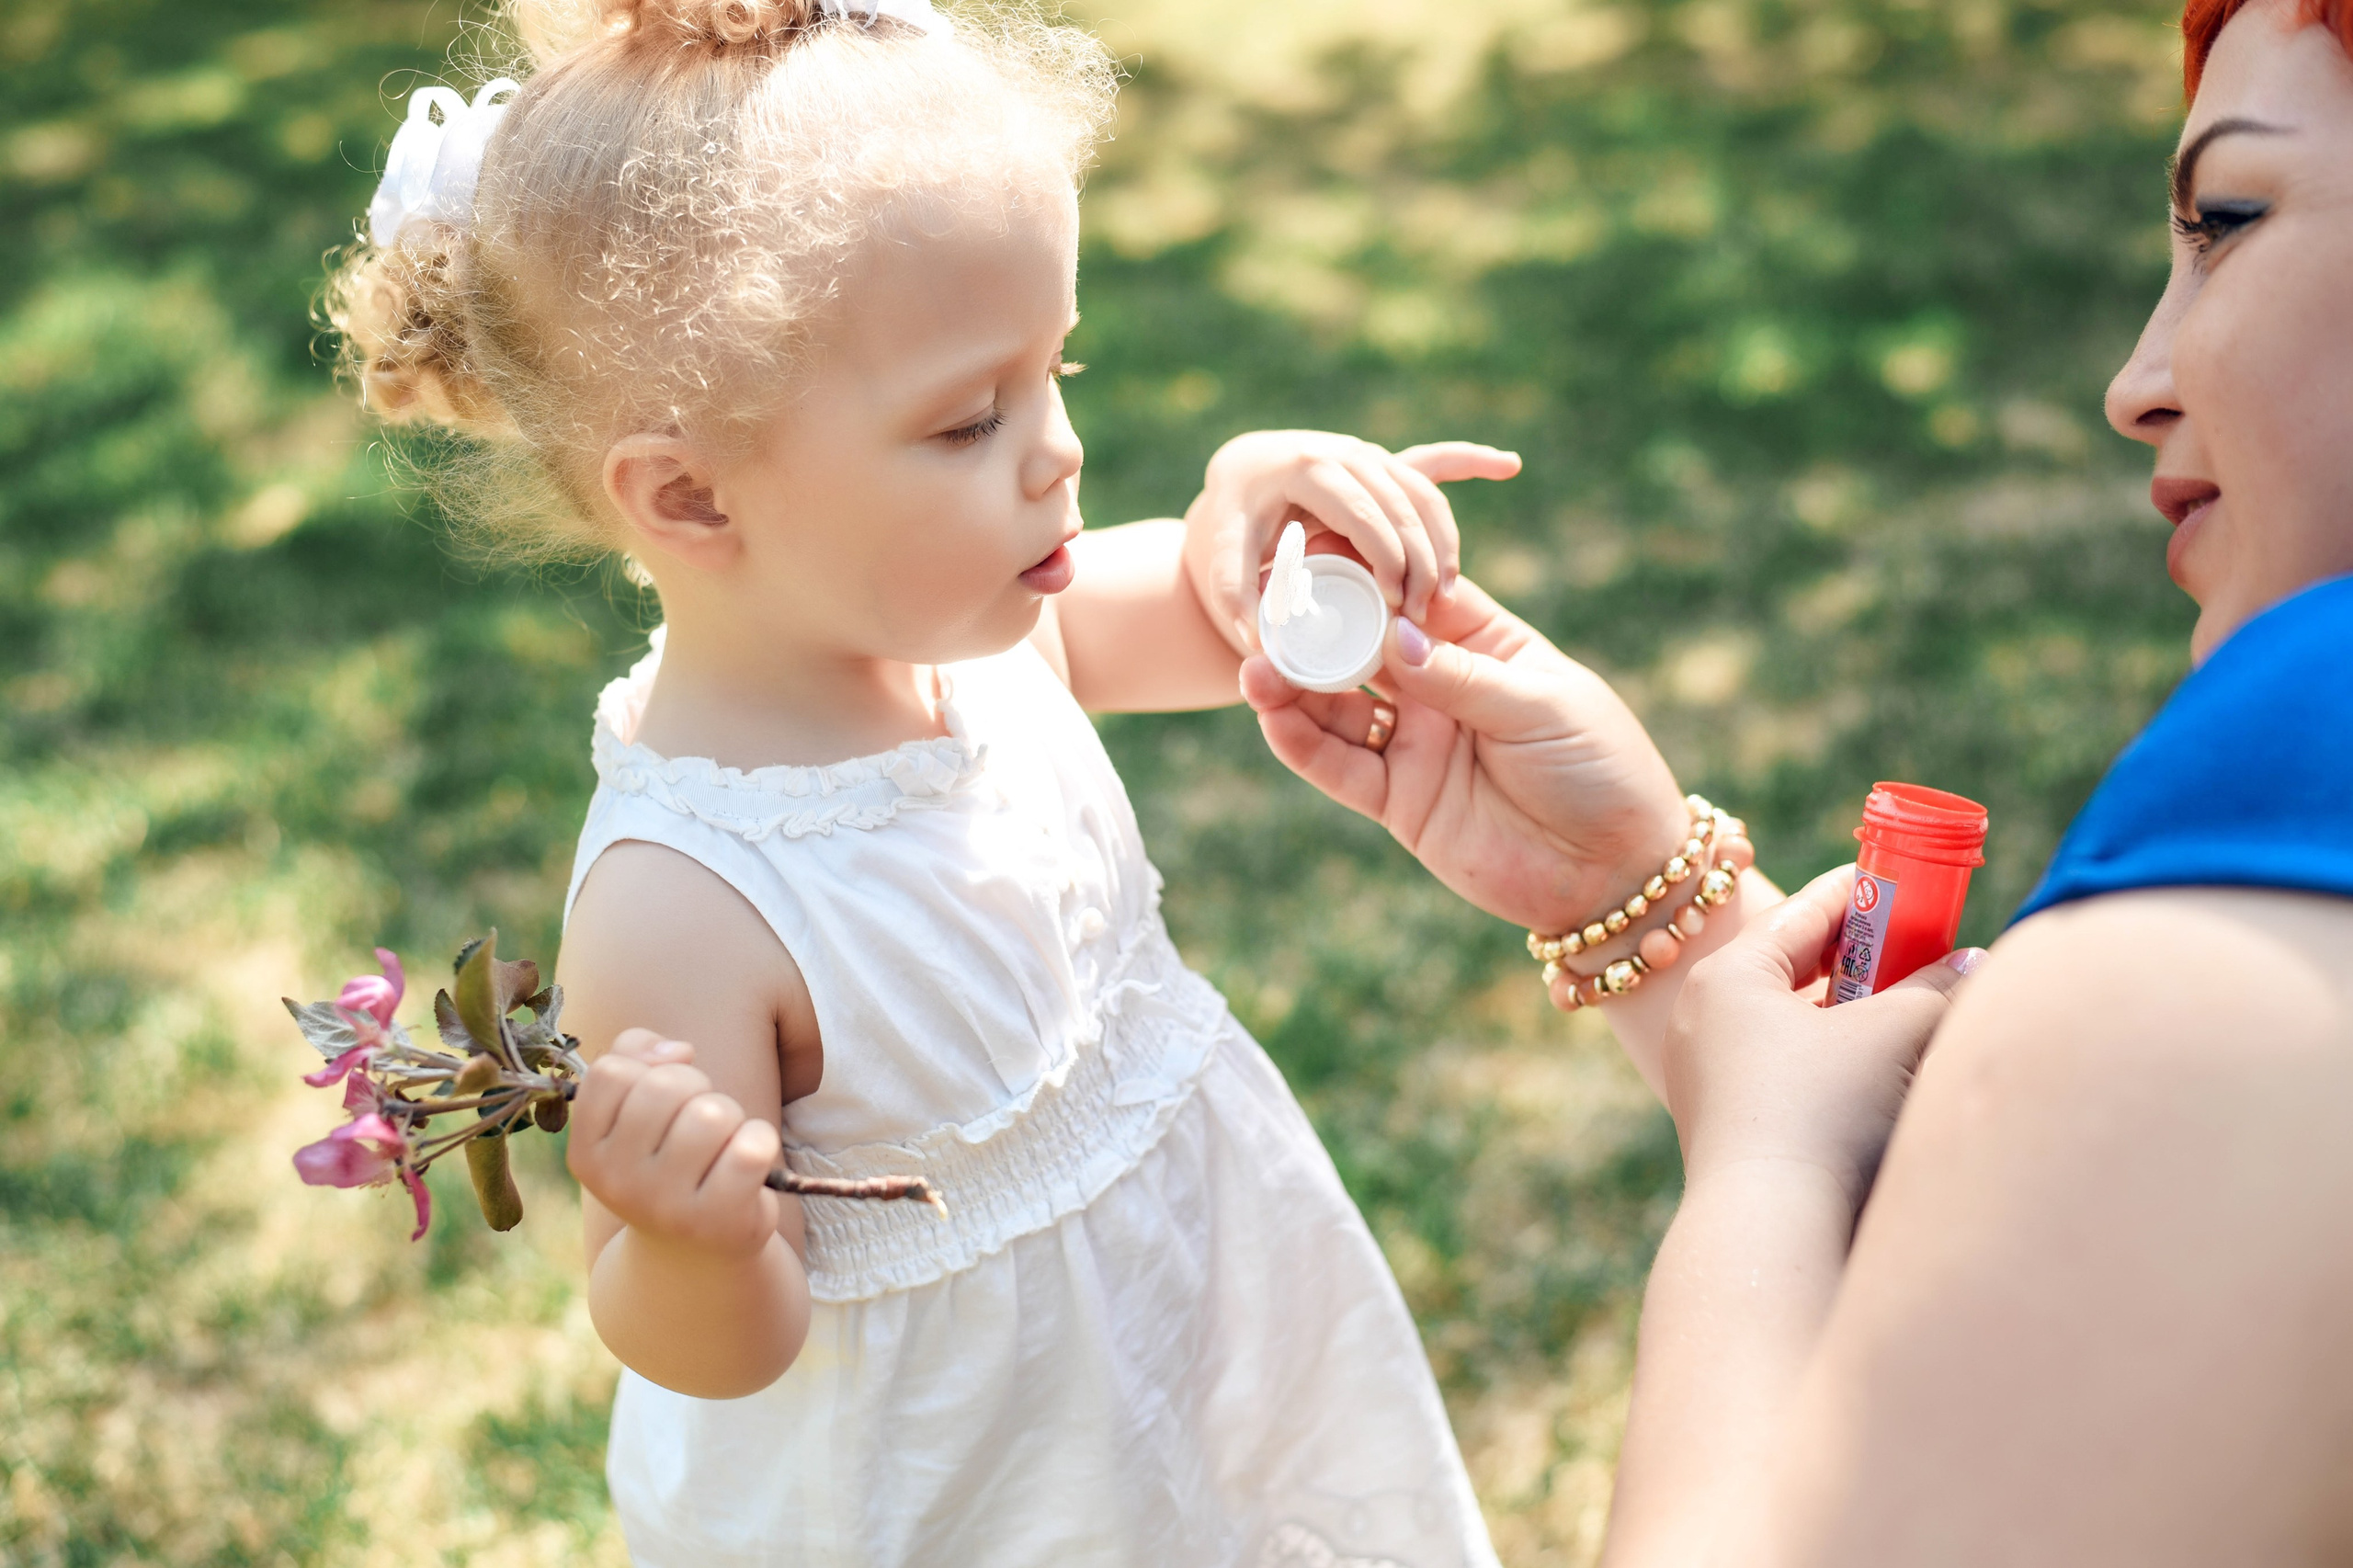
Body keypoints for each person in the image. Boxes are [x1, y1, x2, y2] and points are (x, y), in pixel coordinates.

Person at [325, 2, 1523, 1562]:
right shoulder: (688, 898)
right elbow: (711, 1346)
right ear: (689, 494)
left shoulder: (983, 642)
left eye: (1056, 370)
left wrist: (1254, 514)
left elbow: (1195, 606)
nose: (1060, 453)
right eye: (972, 417)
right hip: (967, 1481)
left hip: (1197, 1333)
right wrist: (687, 1236)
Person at [1244, 0, 2353, 1556]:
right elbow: (2042, 1350)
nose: (2135, 379)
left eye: (2226, 221)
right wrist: (1639, 897)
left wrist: (1759, 1175)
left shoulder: (2297, 766)